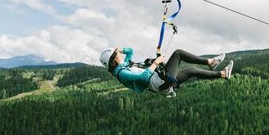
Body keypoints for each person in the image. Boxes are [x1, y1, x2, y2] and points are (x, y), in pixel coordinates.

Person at [99, 47, 233, 97]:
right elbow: (143, 78)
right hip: (159, 82)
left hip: (160, 82)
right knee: (178, 53)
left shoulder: (123, 65)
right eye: (116, 54)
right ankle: (210, 62)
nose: (119, 55)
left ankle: (222, 74)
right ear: (112, 61)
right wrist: (156, 63)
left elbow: (130, 51)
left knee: (192, 70)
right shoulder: (121, 73)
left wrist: (119, 49)